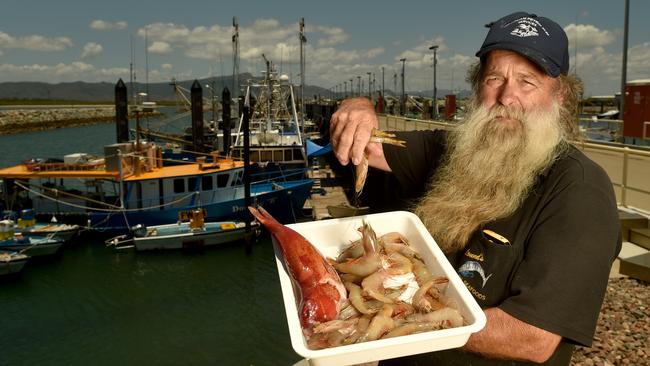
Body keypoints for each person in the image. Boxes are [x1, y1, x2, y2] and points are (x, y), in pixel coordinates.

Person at [330, 12, 621, 365]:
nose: (506, 96)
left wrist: (392, 324)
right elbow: (364, 145)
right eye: (494, 78)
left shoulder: (580, 191)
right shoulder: (449, 148)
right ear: (478, 86)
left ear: (560, 96)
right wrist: (356, 107)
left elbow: (532, 337)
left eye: (527, 82)